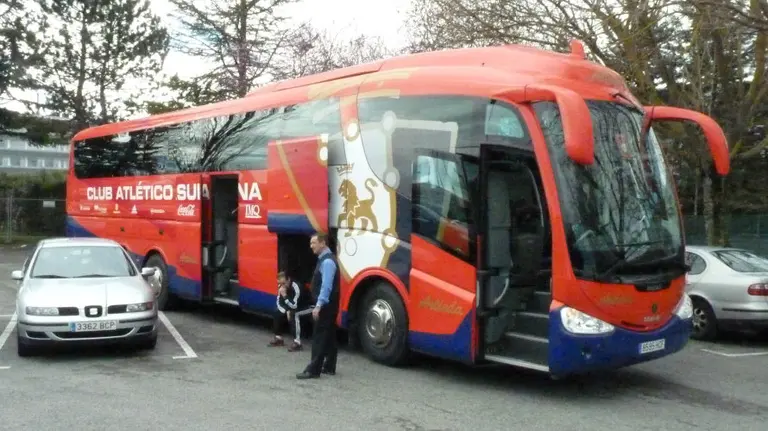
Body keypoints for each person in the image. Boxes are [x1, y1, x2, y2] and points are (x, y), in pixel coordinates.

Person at [296, 232, 340, 379]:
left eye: (314, 243)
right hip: (331, 305)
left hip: (326, 306)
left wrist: (319, 305)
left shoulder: (327, 262)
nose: (311, 246)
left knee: (319, 337)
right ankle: (329, 366)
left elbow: (326, 286)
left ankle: (313, 370)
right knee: (330, 335)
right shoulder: (327, 259)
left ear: (323, 243)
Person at [268, 271, 311, 351]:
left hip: (306, 306)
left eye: (284, 283)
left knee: (294, 314)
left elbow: (295, 306)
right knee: (277, 311)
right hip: (292, 306)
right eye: (280, 283)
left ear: (288, 280)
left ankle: (297, 343)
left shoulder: (296, 287)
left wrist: (285, 296)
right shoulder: (281, 286)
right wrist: (286, 310)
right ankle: (278, 338)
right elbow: (279, 302)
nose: (282, 286)